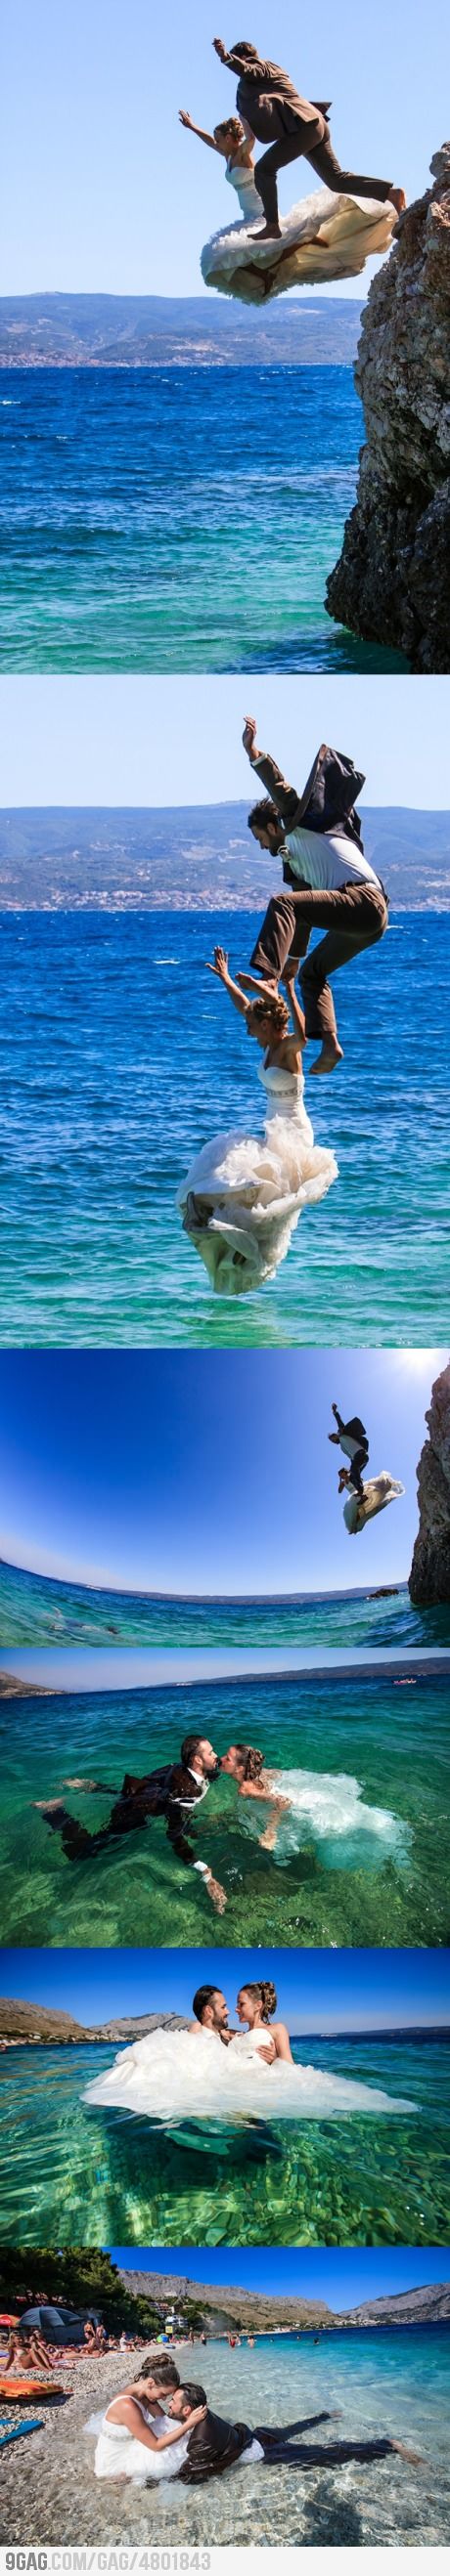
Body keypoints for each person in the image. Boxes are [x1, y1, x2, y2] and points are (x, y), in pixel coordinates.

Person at [178, 951, 337, 1294]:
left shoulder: (288, 1049)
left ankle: (250, 1258)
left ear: (266, 1025)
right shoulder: (267, 1045)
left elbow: (305, 1035)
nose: (247, 1030)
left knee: (267, 1202)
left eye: (252, 1025)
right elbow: (244, 1007)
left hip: (293, 1131)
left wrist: (289, 992)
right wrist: (226, 980)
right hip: (272, 1126)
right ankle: (236, 1252)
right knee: (237, 1184)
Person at [239, 715, 388, 1073]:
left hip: (363, 901)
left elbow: (280, 787)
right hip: (369, 924)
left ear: (274, 826)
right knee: (311, 974)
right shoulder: (296, 866)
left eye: (261, 838)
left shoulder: (300, 822)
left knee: (281, 903)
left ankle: (267, 976)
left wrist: (252, 751)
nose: (262, 848)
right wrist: (293, 960)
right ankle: (331, 1045)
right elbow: (303, 915)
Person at [83, 1978, 414, 2123]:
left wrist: (274, 2066)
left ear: (257, 2005)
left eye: (239, 2004)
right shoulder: (232, 2034)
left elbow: (289, 2066)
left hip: (259, 2083)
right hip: (235, 2081)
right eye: (230, 2005)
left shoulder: (277, 2029)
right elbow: (204, 2046)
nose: (235, 2009)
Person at [212, 38, 405, 237]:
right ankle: (392, 194)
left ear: (244, 57)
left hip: (303, 127)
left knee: (264, 169)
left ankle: (272, 225)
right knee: (336, 180)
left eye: (239, 59)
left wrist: (226, 57)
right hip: (314, 123)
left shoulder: (259, 66)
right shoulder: (272, 71)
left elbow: (248, 70)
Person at [34, 1734, 227, 1916]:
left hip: (141, 1790)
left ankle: (93, 1787)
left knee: (132, 1799)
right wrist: (205, 1872)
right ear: (197, 1760)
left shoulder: (183, 1768)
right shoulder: (184, 1792)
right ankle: (54, 1811)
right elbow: (174, 1836)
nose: (216, 1756)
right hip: (132, 1811)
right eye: (211, 1752)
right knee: (87, 1851)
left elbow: (155, 1780)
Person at [221, 1742, 408, 1872]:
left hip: (299, 1802)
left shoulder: (246, 1788)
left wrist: (270, 1832)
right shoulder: (260, 1772)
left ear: (239, 1769)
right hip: (299, 1789)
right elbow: (278, 1774)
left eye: (227, 1758)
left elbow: (283, 1801)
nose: (222, 1759)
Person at [91, 2358, 207, 2484]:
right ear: (151, 2383)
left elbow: (165, 2420)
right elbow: (155, 2445)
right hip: (117, 2458)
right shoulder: (127, 2406)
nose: (164, 2400)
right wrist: (189, 2423)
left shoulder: (145, 2393)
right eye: (163, 2394)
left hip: (134, 2447)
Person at [329, 1400, 370, 1497]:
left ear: (336, 1435)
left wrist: (335, 1412)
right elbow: (351, 1457)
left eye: (333, 1438)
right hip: (358, 1459)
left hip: (361, 1454)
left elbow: (340, 1422)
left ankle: (361, 1490)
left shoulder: (343, 1435)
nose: (333, 1441)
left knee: (354, 1469)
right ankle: (362, 1495)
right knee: (352, 1477)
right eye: (332, 1441)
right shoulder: (342, 1448)